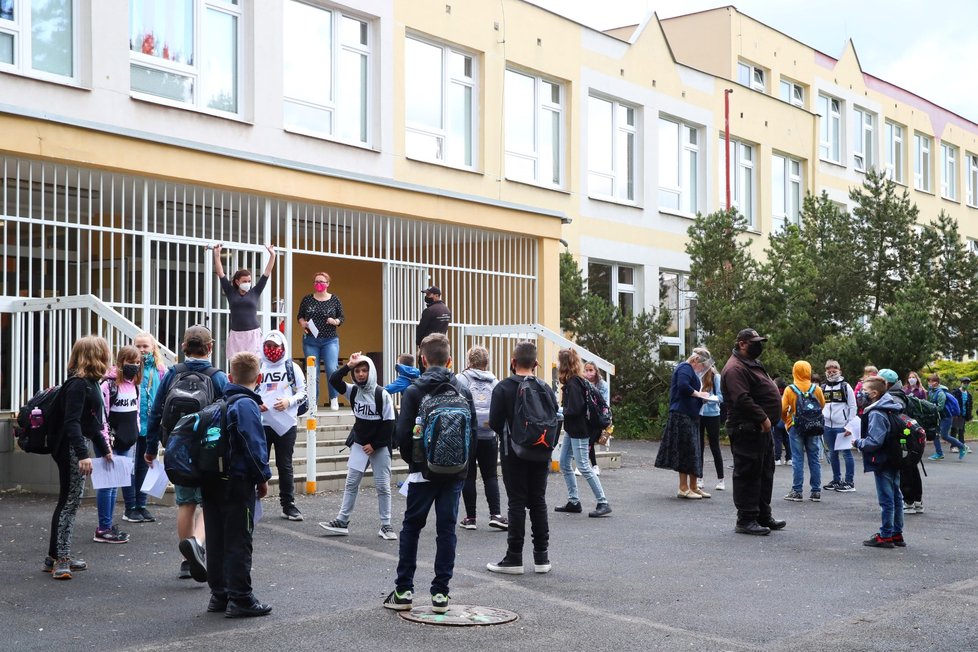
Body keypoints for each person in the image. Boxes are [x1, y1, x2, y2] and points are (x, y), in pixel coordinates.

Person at [384, 334, 476, 614]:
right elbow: (472, 434)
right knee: (446, 529)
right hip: (455, 474)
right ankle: (440, 594)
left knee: (412, 527)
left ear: (423, 360)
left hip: (423, 474)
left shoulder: (413, 391)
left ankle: (404, 590)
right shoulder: (463, 389)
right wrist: (462, 468)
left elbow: (401, 435)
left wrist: (416, 465)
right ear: (450, 360)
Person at [146, 325, 229, 581]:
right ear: (210, 347)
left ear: (183, 347)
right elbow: (228, 410)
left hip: (176, 447)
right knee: (209, 502)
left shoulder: (172, 373)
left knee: (185, 502)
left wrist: (151, 448)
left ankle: (186, 560)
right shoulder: (217, 376)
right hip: (208, 449)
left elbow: (156, 411)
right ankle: (199, 544)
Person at [202, 352, 273, 617]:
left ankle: (219, 594)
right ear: (260, 377)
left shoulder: (219, 401)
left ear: (230, 376)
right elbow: (253, 445)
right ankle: (241, 597)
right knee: (238, 539)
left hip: (211, 480)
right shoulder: (246, 405)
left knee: (217, 539)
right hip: (236, 482)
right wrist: (262, 478)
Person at [486, 341, 559, 575]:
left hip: (513, 451)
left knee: (516, 502)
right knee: (538, 500)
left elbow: (495, 422)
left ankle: (514, 558)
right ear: (536, 364)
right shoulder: (545, 388)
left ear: (513, 362)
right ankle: (542, 558)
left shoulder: (503, 388)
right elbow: (555, 416)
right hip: (542, 450)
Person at [45, 335, 113, 579]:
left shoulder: (91, 382)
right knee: (72, 501)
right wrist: (84, 455)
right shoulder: (78, 384)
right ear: (96, 355)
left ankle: (54, 555)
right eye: (104, 351)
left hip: (76, 446)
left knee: (67, 500)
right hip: (71, 448)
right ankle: (61, 559)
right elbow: (72, 422)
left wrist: (104, 449)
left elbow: (91, 423)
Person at [320, 353, 397, 539]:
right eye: (357, 371)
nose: (361, 374)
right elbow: (333, 379)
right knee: (351, 483)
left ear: (371, 372)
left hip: (379, 447)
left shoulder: (382, 395)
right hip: (359, 444)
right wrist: (348, 365)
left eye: (364, 370)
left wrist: (375, 444)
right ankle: (342, 521)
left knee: (383, 486)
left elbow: (389, 425)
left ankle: (386, 525)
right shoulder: (352, 391)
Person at [720, 328, 785, 536]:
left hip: (761, 431)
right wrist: (763, 418)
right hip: (747, 428)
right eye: (754, 342)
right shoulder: (735, 368)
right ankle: (746, 519)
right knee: (748, 473)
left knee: (765, 473)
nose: (759, 346)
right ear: (742, 344)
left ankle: (762, 515)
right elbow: (742, 399)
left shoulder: (751, 364)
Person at [93, 346, 143, 544]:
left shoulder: (134, 385)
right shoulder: (108, 386)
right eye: (130, 362)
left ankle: (108, 525)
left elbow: (136, 413)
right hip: (110, 442)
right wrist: (105, 446)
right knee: (107, 486)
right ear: (120, 362)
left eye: (138, 362)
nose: (134, 366)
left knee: (115, 485)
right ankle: (103, 528)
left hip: (127, 441)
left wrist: (136, 434)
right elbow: (101, 417)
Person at [555, 348, 612, 517]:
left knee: (584, 466)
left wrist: (557, 410)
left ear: (564, 364)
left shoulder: (573, 383)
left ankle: (603, 502)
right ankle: (573, 501)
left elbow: (574, 409)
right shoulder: (577, 381)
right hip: (575, 429)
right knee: (565, 463)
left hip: (578, 430)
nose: (557, 365)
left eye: (559, 362)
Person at [256, 330, 306, 521]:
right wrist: (255, 404)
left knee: (284, 465)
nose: (271, 350)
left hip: (286, 424)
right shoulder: (259, 366)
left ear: (283, 347)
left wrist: (288, 402)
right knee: (259, 463)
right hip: (262, 423)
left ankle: (288, 505)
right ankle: (254, 499)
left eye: (275, 347)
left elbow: (304, 393)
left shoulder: (292, 367)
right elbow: (249, 389)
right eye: (268, 346)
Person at [455, 345, 507, 531]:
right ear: (486, 362)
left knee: (468, 476)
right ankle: (496, 514)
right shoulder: (494, 381)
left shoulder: (461, 378)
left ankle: (470, 518)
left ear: (469, 361)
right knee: (490, 475)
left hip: (468, 433)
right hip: (489, 434)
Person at [853, 375, 906, 548]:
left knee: (887, 499)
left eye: (864, 391)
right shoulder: (890, 407)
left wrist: (858, 442)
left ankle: (885, 535)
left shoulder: (876, 413)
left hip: (883, 460)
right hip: (894, 457)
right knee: (896, 496)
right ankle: (897, 533)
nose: (861, 393)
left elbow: (875, 441)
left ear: (874, 394)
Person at [655, 348, 714, 499]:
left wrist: (702, 398)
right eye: (702, 365)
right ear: (695, 360)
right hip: (682, 415)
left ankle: (693, 487)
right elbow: (683, 386)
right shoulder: (684, 368)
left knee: (694, 451)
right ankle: (683, 487)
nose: (703, 369)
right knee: (686, 450)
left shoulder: (691, 370)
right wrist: (699, 394)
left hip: (691, 415)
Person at [126, 332, 166, 523]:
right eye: (138, 346)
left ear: (153, 348)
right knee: (130, 467)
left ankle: (141, 505)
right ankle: (130, 506)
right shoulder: (129, 369)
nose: (142, 350)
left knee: (146, 465)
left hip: (151, 425)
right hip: (132, 425)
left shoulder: (160, 370)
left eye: (145, 346)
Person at [212, 243, 277, 360]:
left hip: (253, 334)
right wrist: (217, 255)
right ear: (237, 281)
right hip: (236, 335)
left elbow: (266, 273)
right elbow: (221, 274)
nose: (248, 283)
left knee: (253, 363)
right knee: (237, 364)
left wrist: (272, 255)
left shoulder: (255, 291)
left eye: (249, 281)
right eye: (245, 281)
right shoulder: (231, 292)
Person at [878, 369, 925, 515]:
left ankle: (908, 501)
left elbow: (894, 422)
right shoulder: (901, 393)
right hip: (910, 436)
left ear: (886, 383)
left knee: (905, 469)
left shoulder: (893, 398)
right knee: (912, 468)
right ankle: (917, 501)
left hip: (902, 438)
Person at [297, 272, 345, 410]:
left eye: (322, 282)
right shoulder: (307, 299)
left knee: (331, 368)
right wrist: (303, 323)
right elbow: (300, 316)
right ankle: (313, 401)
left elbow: (341, 317)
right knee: (313, 371)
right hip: (311, 340)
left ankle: (333, 398)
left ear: (328, 284)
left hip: (330, 340)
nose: (319, 284)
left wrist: (335, 321)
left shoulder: (334, 299)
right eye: (316, 281)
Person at [782, 361, 826, 503]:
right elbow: (822, 405)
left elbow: (783, 409)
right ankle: (816, 491)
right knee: (814, 459)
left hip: (796, 426)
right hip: (813, 427)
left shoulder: (790, 389)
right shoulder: (816, 389)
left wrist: (787, 422)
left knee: (797, 458)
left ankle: (797, 491)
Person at [821, 360, 857, 493]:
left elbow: (853, 406)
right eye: (829, 370)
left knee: (846, 453)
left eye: (834, 370)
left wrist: (850, 426)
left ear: (840, 371)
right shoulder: (823, 387)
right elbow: (821, 405)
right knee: (832, 454)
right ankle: (837, 480)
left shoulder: (846, 386)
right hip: (827, 426)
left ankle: (849, 482)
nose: (831, 372)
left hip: (842, 426)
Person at [926, 373, 968, 461]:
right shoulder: (931, 391)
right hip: (938, 417)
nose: (929, 383)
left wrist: (930, 408)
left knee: (944, 436)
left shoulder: (940, 393)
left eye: (930, 381)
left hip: (946, 417)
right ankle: (939, 453)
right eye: (928, 381)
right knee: (935, 435)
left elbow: (940, 407)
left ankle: (962, 446)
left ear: (936, 383)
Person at [699, 365, 725, 491]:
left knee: (715, 446)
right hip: (699, 414)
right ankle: (699, 478)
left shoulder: (716, 377)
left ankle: (721, 479)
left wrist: (707, 398)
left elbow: (721, 397)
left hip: (713, 414)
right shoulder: (696, 375)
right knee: (699, 446)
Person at [416, 286, 451, 372]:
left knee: (425, 373)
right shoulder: (446, 310)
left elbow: (421, 329)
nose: (427, 297)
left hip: (428, 347)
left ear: (436, 295)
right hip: (442, 346)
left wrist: (419, 343)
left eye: (428, 294)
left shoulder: (429, 311)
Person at [583, 361, 609, 475]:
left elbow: (602, 402)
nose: (589, 373)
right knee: (589, 442)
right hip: (586, 417)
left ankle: (589, 465)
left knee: (590, 441)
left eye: (591, 370)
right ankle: (593, 466)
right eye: (586, 370)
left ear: (595, 371)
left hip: (598, 418)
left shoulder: (602, 385)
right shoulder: (583, 382)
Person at [772, 378, 791, 466]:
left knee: (778, 440)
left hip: (777, 420)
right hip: (787, 420)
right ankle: (789, 458)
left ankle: (777, 458)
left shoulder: (774, 395)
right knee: (787, 440)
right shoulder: (788, 394)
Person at [951, 377, 973, 452]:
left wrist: (969, 416)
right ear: (961, 383)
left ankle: (961, 445)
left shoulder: (968, 395)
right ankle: (953, 446)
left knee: (961, 431)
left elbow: (970, 406)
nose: (966, 384)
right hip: (956, 414)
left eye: (967, 383)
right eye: (964, 383)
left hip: (963, 415)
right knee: (954, 430)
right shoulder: (956, 392)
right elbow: (952, 403)